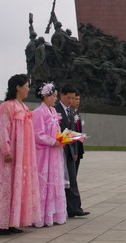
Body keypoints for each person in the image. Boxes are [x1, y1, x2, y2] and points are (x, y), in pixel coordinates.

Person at [0, 74, 41, 235]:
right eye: (26, 85)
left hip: (22, 156)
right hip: (9, 155)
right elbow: (2, 130)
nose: (28, 89)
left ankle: (10, 221)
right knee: (3, 187)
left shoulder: (24, 107)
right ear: (18, 87)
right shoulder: (7, 106)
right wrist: (6, 150)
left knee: (15, 187)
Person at [31, 82, 67, 227]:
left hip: (54, 152)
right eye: (53, 96)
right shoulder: (39, 112)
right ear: (45, 96)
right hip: (44, 152)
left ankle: (53, 214)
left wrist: (62, 138)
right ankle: (40, 216)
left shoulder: (52, 111)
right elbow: (37, 134)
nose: (55, 99)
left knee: (54, 181)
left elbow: (56, 130)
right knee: (43, 181)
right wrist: (53, 141)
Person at [54, 85, 89, 218]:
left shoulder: (72, 112)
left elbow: (73, 131)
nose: (70, 100)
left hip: (70, 150)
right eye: (68, 97)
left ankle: (75, 208)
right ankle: (64, 207)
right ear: (61, 96)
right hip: (59, 149)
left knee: (72, 179)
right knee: (61, 180)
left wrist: (75, 151)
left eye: (73, 98)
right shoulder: (55, 110)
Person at [71, 92, 85, 175]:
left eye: (79, 99)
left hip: (78, 147)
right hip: (72, 147)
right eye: (76, 99)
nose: (78, 101)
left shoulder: (77, 112)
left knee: (75, 172)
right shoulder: (69, 113)